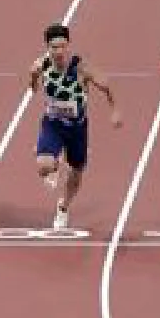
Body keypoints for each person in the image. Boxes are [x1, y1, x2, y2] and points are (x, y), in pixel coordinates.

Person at [30, 23, 122, 230]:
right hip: (53, 124)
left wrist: (115, 110)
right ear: (47, 47)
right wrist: (33, 84)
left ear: (68, 45)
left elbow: (106, 85)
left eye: (63, 46)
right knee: (44, 166)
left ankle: (63, 208)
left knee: (76, 171)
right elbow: (32, 78)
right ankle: (49, 161)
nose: (59, 52)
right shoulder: (40, 65)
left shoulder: (81, 67)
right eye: (54, 47)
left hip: (77, 128)